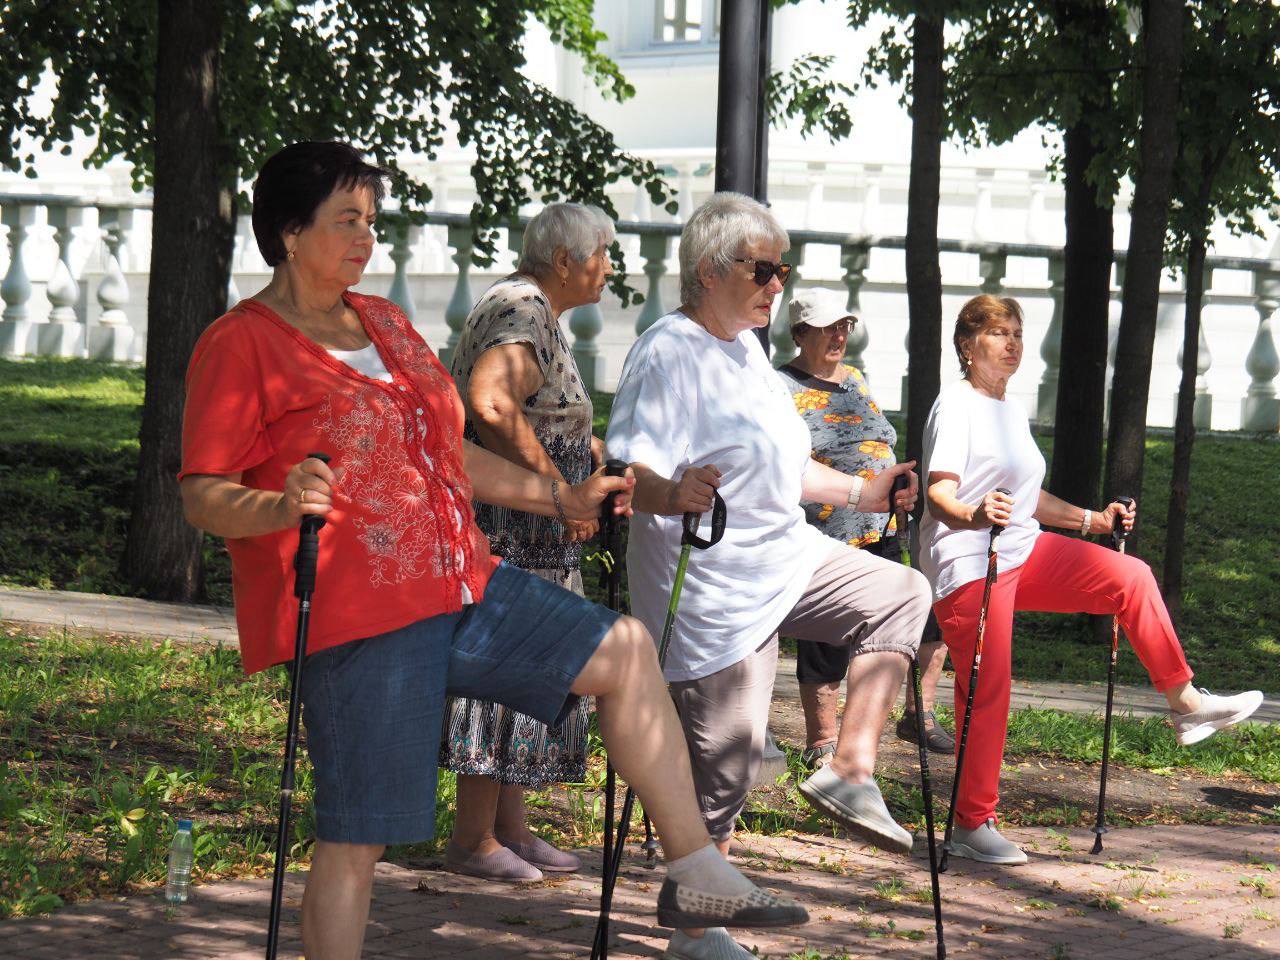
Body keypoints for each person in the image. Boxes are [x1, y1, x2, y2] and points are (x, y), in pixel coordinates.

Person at [178, 142, 808, 960]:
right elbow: (203, 493)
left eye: (372, 220)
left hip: (463, 584)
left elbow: (449, 452)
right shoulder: (243, 343)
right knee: (358, 836)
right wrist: (278, 503)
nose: (367, 237)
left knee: (623, 649)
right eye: (346, 221)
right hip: (355, 615)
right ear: (290, 233)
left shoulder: (386, 324)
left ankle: (694, 870)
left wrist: (559, 495)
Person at [606, 192, 931, 960]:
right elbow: (628, 470)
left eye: (783, 269)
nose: (778, 284)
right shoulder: (667, 351)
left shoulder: (747, 350)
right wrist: (671, 491)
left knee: (901, 592)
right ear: (710, 270)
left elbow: (786, 469)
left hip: (786, 556)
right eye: (763, 269)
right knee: (727, 765)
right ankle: (697, 929)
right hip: (712, 585)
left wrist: (866, 492)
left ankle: (848, 768)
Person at [920, 293, 1265, 866]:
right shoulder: (956, 405)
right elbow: (939, 494)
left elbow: (1028, 498)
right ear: (966, 344)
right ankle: (971, 823)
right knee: (989, 688)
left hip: (1021, 549)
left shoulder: (1008, 408)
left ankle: (1184, 703)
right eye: (998, 333)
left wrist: (1094, 521)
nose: (1012, 344)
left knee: (1130, 577)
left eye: (1017, 334)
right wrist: (974, 514)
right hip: (968, 562)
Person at [439, 202, 614, 881]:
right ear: (564, 261)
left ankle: (508, 828)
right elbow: (490, 402)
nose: (610, 267)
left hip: (533, 531)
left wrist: (580, 446)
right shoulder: (524, 307)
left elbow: (533, 407)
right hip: (515, 531)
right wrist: (559, 488)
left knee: (530, 670)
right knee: (506, 665)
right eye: (602, 252)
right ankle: (473, 838)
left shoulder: (531, 308)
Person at [777, 289, 955, 766]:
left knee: (922, 611)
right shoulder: (780, 387)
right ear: (800, 333)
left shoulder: (855, 378)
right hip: (827, 529)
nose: (839, 336)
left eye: (844, 326)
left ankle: (919, 713)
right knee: (827, 637)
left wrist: (900, 486)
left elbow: (877, 441)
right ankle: (821, 741)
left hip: (884, 523)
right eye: (827, 328)